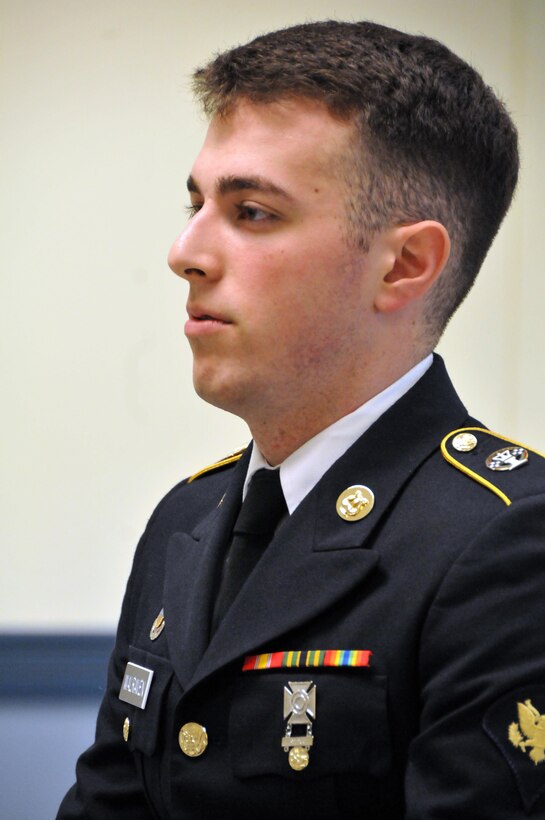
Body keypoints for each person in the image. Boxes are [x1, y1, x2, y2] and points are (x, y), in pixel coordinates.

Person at [57, 19, 545, 820]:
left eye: (250, 212)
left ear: (404, 265)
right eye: (196, 203)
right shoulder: (187, 518)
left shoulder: (508, 540)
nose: (185, 251)